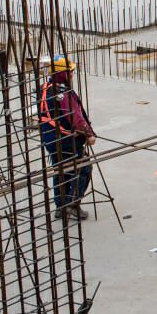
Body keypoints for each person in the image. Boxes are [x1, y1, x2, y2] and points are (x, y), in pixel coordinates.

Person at [39, 55, 96, 222]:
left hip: (50, 140)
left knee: (60, 170)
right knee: (83, 169)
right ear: (63, 73)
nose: (72, 74)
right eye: (70, 72)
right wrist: (89, 134)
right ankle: (72, 204)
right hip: (66, 141)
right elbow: (76, 118)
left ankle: (60, 207)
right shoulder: (63, 93)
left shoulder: (45, 88)